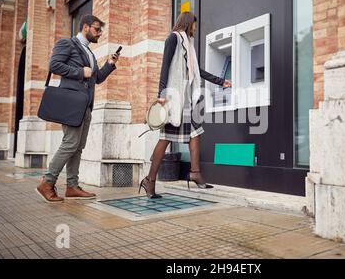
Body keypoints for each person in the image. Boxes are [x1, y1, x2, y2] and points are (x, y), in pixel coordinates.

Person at [139, 12, 231, 199]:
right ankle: (150, 180)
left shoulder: (189, 45)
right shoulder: (173, 39)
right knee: (165, 138)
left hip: (188, 97)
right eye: (194, 25)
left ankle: (195, 172)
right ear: (189, 23)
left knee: (195, 133)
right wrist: (162, 94)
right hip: (174, 97)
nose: (195, 29)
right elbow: (165, 66)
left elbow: (197, 70)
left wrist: (220, 81)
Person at [36, 15, 120, 203]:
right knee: (70, 144)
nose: (100, 33)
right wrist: (80, 72)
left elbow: (96, 78)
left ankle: (72, 186)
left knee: (78, 147)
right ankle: (47, 183)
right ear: (85, 27)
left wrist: (109, 64)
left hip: (86, 106)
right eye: (97, 29)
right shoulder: (67, 44)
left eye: (101, 30)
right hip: (72, 104)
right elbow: (54, 65)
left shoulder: (89, 53)